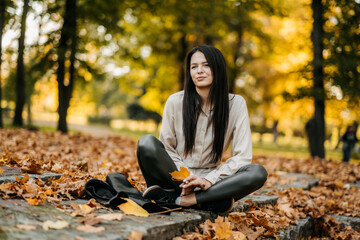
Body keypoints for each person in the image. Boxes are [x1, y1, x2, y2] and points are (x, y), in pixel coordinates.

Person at [136, 45, 268, 213]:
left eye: (206, 65)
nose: (199, 71)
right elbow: (167, 148)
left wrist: (208, 180)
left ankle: (184, 200)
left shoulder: (236, 104)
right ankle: (206, 201)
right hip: (177, 178)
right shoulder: (175, 101)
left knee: (257, 172)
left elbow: (242, 156)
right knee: (146, 143)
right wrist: (186, 177)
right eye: (194, 67)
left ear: (218, 69)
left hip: (212, 182)